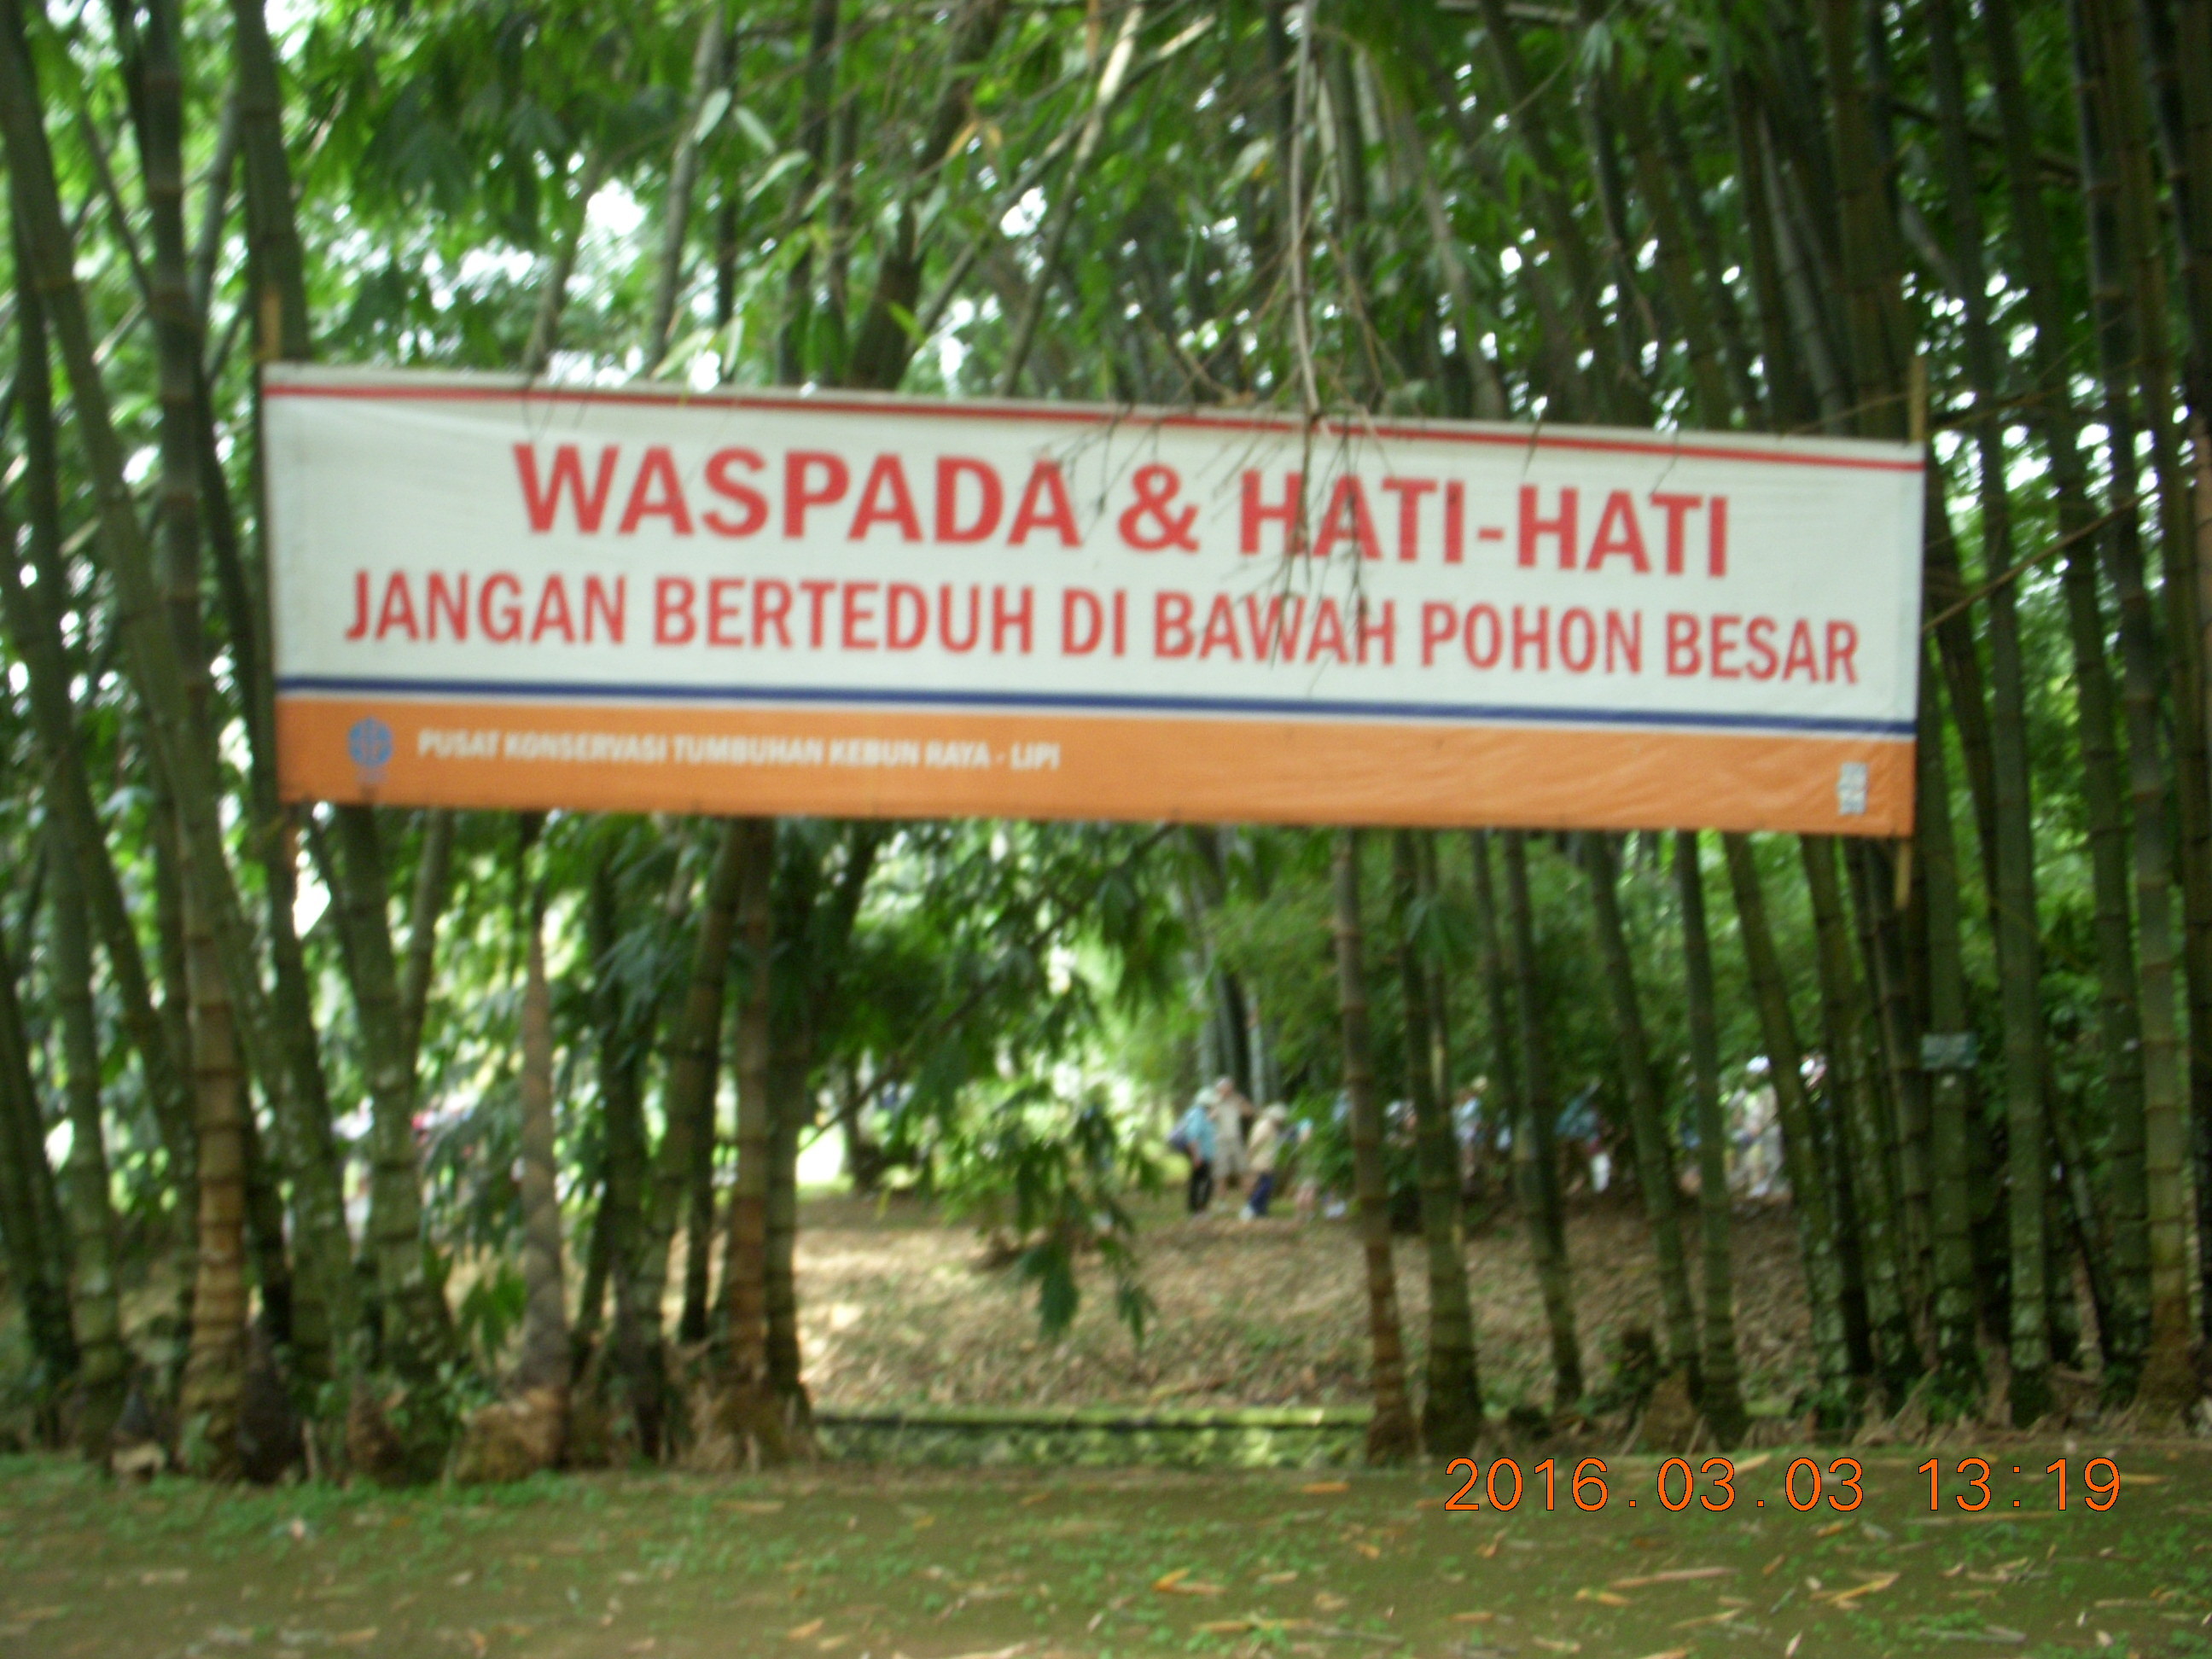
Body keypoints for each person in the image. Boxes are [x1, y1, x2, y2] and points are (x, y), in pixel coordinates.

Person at [1171, 1094, 1218, 1214]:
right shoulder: (1198, 1115)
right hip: (1199, 1155)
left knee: (1198, 1180)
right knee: (1204, 1182)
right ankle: (1199, 1209)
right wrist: (1196, 1157)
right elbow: (1193, 1137)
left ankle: (1196, 1208)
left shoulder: (1200, 1115)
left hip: (1202, 1154)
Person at [1242, 1103, 1290, 1219]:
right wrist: (1249, 1156)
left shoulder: (1272, 1127)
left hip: (1268, 1159)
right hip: (1261, 1160)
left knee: (1267, 1185)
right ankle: (1251, 1206)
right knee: (1266, 1185)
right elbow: (1254, 1143)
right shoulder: (1264, 1126)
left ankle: (1261, 1210)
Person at [1208, 1076, 1250, 1190]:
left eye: (1229, 1088)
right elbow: (1210, 1118)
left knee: (1243, 1169)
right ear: (1218, 1089)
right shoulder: (1214, 1100)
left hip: (1236, 1138)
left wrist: (1241, 1101)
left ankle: (1250, 1198)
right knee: (1221, 1173)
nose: (1227, 1091)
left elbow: (1248, 1113)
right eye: (1224, 1088)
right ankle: (1221, 1199)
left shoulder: (1236, 1100)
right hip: (1220, 1140)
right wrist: (1216, 1106)